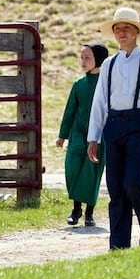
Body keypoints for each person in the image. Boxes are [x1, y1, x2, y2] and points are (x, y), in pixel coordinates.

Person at [86, 7, 140, 250]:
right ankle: (119, 244)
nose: (121, 33)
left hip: (137, 125)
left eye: (126, 29)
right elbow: (99, 102)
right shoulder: (109, 65)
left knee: (133, 182)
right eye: (117, 29)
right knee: (115, 186)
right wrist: (93, 137)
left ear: (136, 32)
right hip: (112, 125)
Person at [56, 43, 109, 227]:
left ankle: (89, 213)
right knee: (73, 168)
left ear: (99, 60)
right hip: (77, 135)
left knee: (92, 173)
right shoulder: (78, 84)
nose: (83, 61)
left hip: (99, 136)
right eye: (82, 58)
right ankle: (75, 208)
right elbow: (70, 111)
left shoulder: (107, 83)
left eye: (88, 58)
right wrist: (62, 136)